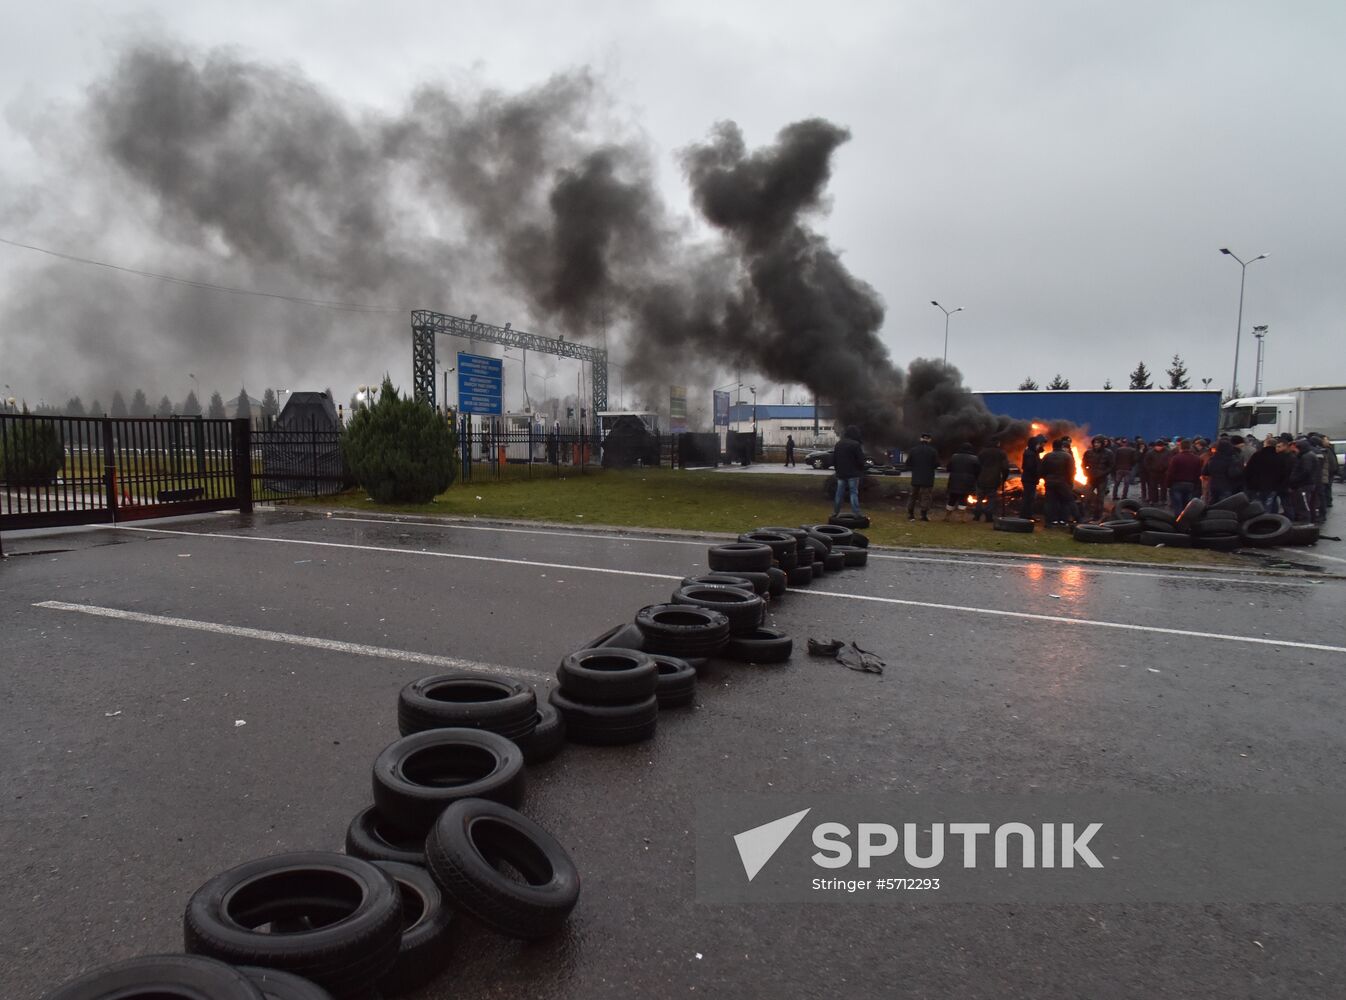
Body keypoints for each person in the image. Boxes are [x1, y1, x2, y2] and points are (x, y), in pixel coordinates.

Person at [1243, 435, 1285, 514]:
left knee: (1258, 504)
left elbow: (1249, 470)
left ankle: (1260, 519)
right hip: (1273, 486)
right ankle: (1272, 519)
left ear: (1266, 444)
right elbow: (1283, 473)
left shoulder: (1257, 455)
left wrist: (1248, 483)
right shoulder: (1279, 457)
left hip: (1257, 485)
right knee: (1271, 503)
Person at [831, 424, 866, 518]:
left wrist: (837, 471)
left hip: (841, 473)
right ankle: (856, 513)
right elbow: (860, 460)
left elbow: (834, 460)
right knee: (853, 493)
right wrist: (861, 470)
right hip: (853, 474)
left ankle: (835, 512)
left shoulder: (838, 444)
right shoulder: (856, 444)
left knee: (839, 493)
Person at [1040, 437, 1076, 526]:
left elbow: (1041, 470)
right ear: (1061, 446)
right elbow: (1071, 471)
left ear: (1053, 446)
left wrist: (1046, 478)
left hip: (1050, 482)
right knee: (1065, 501)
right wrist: (1070, 482)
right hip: (1063, 483)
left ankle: (1050, 521)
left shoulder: (1047, 456)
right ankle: (1063, 520)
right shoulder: (1068, 456)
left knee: (1050, 502)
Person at [973, 436, 1010, 522]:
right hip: (994, 479)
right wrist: (1004, 477)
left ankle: (977, 515)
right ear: (997, 443)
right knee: (991, 498)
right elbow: (1005, 467)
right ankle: (988, 516)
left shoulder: (982, 452)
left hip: (981, 478)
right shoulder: (1001, 453)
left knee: (979, 498)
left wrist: (976, 476)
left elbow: (976, 465)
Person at [905, 432, 939, 521]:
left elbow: (908, 463)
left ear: (920, 439)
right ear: (929, 440)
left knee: (913, 496)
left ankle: (910, 515)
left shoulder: (913, 450)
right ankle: (923, 515)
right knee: (926, 496)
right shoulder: (933, 451)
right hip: (928, 478)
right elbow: (936, 464)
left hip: (916, 477)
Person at [943, 443, 980, 521]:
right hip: (967, 482)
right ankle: (961, 518)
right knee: (963, 499)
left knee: (952, 499)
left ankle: (947, 516)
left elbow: (948, 468)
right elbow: (978, 471)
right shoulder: (975, 458)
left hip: (954, 481)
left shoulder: (954, 457)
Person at [1166, 438, 1203, 514]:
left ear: (1180, 447)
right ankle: (1187, 521)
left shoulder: (1176, 458)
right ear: (1190, 447)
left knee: (1177, 505)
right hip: (1190, 484)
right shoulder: (1197, 459)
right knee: (1187, 505)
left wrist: (1168, 484)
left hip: (1177, 484)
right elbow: (1198, 473)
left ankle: (1178, 521)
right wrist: (1196, 484)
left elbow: (1170, 472)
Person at [1081, 437, 1114, 521]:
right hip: (1090, 478)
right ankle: (1086, 516)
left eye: (1098, 443)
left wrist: (1103, 473)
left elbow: (1111, 466)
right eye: (1095, 443)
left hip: (1102, 479)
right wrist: (1085, 472)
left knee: (1100, 499)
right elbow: (1083, 464)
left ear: (1102, 444)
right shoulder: (1088, 453)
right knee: (1087, 498)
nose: (1096, 444)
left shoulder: (1108, 453)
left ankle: (1097, 517)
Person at [1202, 439, 1241, 505]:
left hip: (1213, 486)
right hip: (1226, 486)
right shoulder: (1231, 460)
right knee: (1224, 505)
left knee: (1212, 504)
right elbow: (1233, 474)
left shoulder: (1212, 459)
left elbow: (1205, 472)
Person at [1019, 435, 1045, 519]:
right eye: (1038, 444)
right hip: (1029, 479)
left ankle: (1027, 515)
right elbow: (1030, 467)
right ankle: (1025, 516)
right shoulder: (1030, 454)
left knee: (1029, 498)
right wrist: (1038, 473)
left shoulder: (1031, 452)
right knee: (1028, 499)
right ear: (1034, 444)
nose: (1039, 446)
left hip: (1029, 479)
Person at [1143, 439, 1171, 505]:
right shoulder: (1150, 453)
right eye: (1157, 446)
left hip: (1164, 472)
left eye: (1160, 446)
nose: (1158, 448)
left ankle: (1163, 500)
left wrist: (1167, 469)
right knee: (1153, 487)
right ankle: (1153, 500)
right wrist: (1150, 470)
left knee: (1163, 487)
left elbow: (1170, 461)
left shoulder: (1168, 452)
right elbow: (1146, 462)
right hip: (1153, 472)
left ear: (1163, 446)